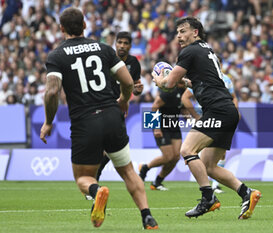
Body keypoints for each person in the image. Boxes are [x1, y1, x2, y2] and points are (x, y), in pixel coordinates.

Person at [40, 8, 158, 230]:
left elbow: (52, 92)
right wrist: (123, 100)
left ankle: (97, 192)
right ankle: (147, 216)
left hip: (85, 121)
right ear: (85, 25)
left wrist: (48, 122)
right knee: (129, 172)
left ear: (61, 28)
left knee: (83, 178)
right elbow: (127, 81)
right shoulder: (103, 49)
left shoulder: (56, 56)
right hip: (112, 116)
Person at [153, 16, 261, 220]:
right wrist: (185, 82)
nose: (179, 36)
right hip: (227, 110)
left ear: (195, 32)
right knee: (209, 166)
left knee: (186, 150)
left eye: (183, 31)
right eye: (177, 32)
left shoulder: (189, 51)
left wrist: (160, 80)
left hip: (217, 110)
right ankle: (247, 193)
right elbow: (203, 83)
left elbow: (168, 85)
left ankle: (207, 198)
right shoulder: (206, 49)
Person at [181, 58, 239, 194]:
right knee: (192, 151)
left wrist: (235, 108)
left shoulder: (226, 79)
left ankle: (212, 187)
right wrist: (195, 117)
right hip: (207, 117)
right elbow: (185, 97)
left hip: (220, 116)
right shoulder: (203, 78)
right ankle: (209, 188)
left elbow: (233, 96)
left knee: (216, 154)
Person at [95, 31, 144, 182]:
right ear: (115, 43)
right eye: (119, 42)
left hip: (119, 107)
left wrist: (137, 90)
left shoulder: (134, 63)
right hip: (103, 103)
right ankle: (95, 174)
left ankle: (95, 173)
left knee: (113, 143)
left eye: (125, 43)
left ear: (130, 46)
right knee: (112, 141)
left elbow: (134, 87)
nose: (122, 46)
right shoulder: (106, 59)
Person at [139, 80, 185, 191]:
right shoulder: (169, 92)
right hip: (162, 127)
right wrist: (156, 127)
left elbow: (183, 108)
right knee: (168, 156)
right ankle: (145, 168)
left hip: (174, 126)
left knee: (175, 157)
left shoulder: (185, 92)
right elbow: (154, 107)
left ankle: (157, 182)